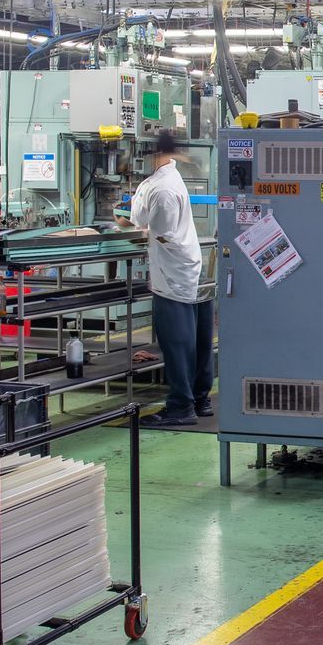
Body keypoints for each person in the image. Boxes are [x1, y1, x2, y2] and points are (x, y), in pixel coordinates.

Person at [123, 129, 213, 426]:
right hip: (188, 267)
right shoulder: (169, 179)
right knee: (197, 340)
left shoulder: (162, 189)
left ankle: (181, 406)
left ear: (153, 154)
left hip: (173, 274)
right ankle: (200, 399)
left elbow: (160, 234)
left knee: (177, 342)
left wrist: (128, 227)